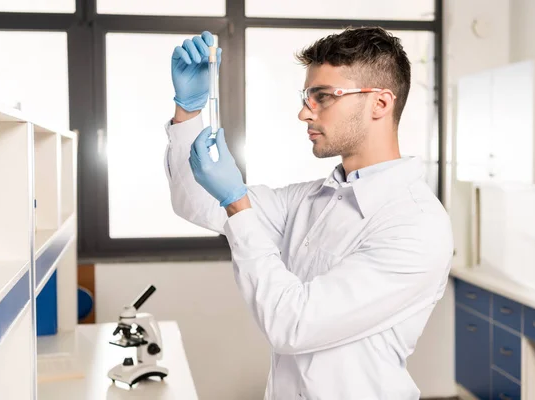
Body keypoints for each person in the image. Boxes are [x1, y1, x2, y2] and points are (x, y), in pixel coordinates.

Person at [165, 27, 453, 400]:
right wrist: (188, 114)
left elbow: (293, 324)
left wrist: (238, 202)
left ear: (380, 104)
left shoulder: (416, 225)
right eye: (307, 96)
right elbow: (198, 203)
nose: (304, 112)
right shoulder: (312, 199)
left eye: (323, 97)